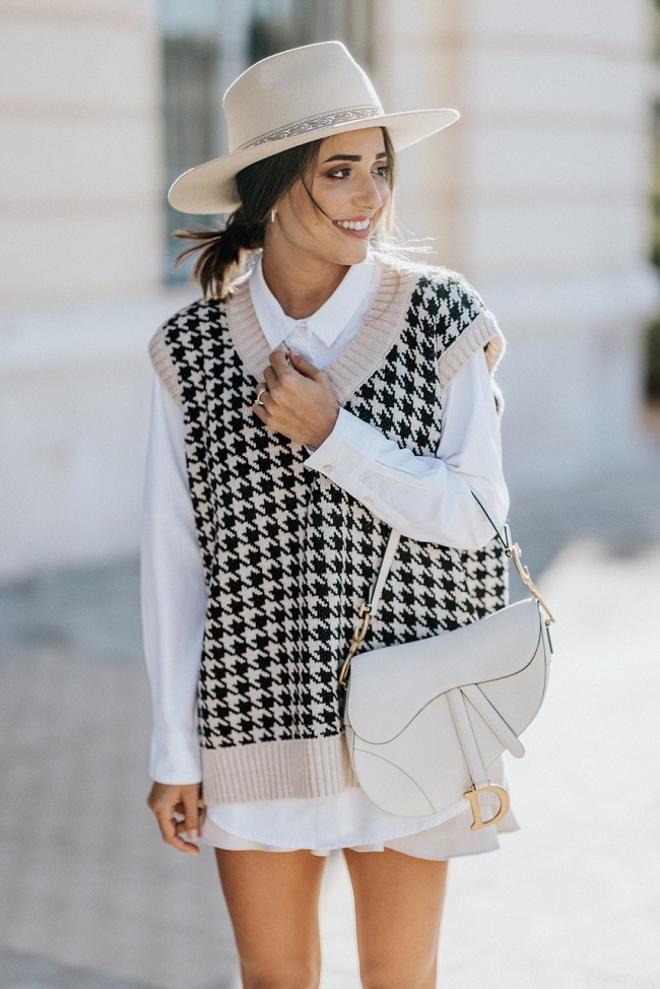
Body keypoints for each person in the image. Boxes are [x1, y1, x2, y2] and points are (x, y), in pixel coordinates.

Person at [142, 40, 519, 989]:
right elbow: (175, 561)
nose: (369, 196)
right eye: (339, 171)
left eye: (379, 168)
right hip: (253, 719)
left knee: (401, 979)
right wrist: (172, 749)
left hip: (412, 715)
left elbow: (478, 514)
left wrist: (332, 435)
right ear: (269, 191)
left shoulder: (442, 316)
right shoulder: (190, 352)